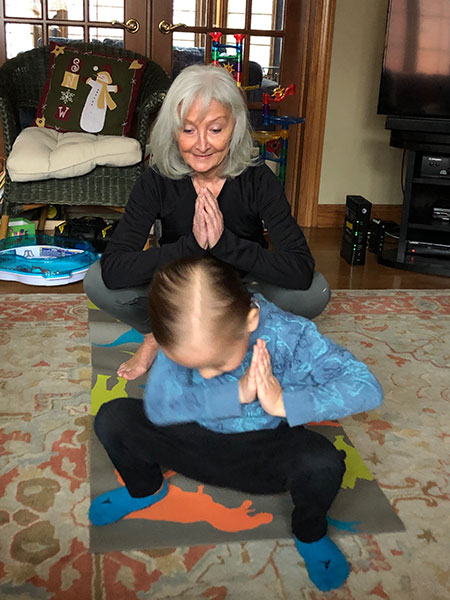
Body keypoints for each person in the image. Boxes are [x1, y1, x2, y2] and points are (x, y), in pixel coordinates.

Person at [90, 256, 383, 592]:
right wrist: (237, 392)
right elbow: (160, 407)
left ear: (250, 319)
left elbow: (367, 387)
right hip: (191, 439)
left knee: (323, 463)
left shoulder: (292, 335)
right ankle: (145, 489)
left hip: (260, 451)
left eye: (216, 363)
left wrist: (283, 403)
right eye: (192, 365)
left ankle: (310, 532)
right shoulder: (180, 329)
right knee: (113, 418)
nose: (206, 374)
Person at [83, 63, 331, 381]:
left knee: (315, 291)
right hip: (178, 291)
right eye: (188, 130)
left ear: (235, 127)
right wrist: (191, 247)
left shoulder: (258, 180)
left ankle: (237, 335)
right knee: (97, 280)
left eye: (215, 129)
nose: (202, 144)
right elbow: (115, 269)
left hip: (242, 293)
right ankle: (156, 334)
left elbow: (300, 268)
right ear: (173, 130)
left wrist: (224, 244)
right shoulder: (156, 180)